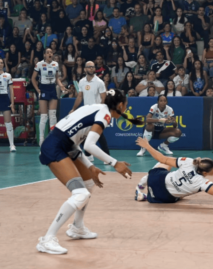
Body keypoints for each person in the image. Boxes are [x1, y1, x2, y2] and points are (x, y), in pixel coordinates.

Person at [36, 89, 141, 255]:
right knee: (80, 194)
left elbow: (73, 141)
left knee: (88, 184)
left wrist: (89, 166)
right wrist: (114, 163)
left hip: (65, 146)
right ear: (120, 105)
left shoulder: (97, 109)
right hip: (54, 147)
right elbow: (89, 146)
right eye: (126, 106)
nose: (126, 110)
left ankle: (77, 227)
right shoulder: (104, 116)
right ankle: (47, 239)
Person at [134, 138, 213, 205]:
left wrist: (148, 146)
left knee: (165, 163)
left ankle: (142, 184)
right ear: (205, 173)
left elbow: (162, 158)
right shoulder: (202, 183)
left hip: (156, 179)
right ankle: (145, 196)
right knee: (180, 196)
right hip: (162, 197)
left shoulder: (189, 162)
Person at [69, 61, 109, 162]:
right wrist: (74, 109)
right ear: (85, 69)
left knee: (99, 135)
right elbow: (80, 96)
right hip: (86, 112)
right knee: (82, 134)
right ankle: (88, 155)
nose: (91, 69)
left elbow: (103, 98)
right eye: (89, 67)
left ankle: (107, 157)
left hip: (97, 112)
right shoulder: (81, 82)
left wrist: (101, 110)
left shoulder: (99, 82)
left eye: (93, 67)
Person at [32, 48, 65, 146]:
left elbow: (57, 78)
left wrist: (61, 85)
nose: (50, 54)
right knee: (44, 116)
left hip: (52, 89)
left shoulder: (56, 64)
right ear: (44, 55)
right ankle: (41, 138)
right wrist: (38, 90)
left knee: (53, 115)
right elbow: (33, 78)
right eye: (48, 52)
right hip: (43, 88)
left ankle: (52, 138)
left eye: (51, 52)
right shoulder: (39, 64)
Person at [0, 58, 16, 151]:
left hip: (5, 98)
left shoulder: (8, 75)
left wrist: (12, 103)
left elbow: (11, 90)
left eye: (2, 63)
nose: (0, 64)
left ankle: (12, 145)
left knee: (8, 122)